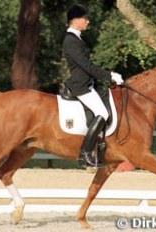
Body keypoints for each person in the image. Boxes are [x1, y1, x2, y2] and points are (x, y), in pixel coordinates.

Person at [63, 3, 124, 168]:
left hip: (88, 85)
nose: (88, 22)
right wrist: (109, 75)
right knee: (102, 113)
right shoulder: (71, 41)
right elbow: (86, 66)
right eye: (85, 19)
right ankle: (84, 154)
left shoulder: (77, 39)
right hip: (80, 86)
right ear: (76, 20)